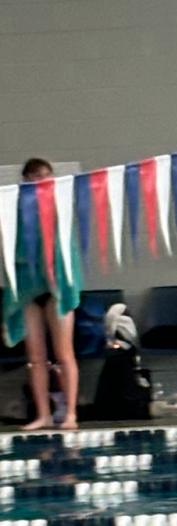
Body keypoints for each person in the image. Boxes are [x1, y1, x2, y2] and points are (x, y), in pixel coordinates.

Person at [1, 158, 82, 430]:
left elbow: (66, 252)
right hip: (28, 290)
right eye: (33, 178)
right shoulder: (14, 212)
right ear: (25, 180)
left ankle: (70, 414)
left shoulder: (59, 208)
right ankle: (43, 414)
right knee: (35, 358)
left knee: (64, 354)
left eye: (44, 177)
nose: (39, 182)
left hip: (56, 287)